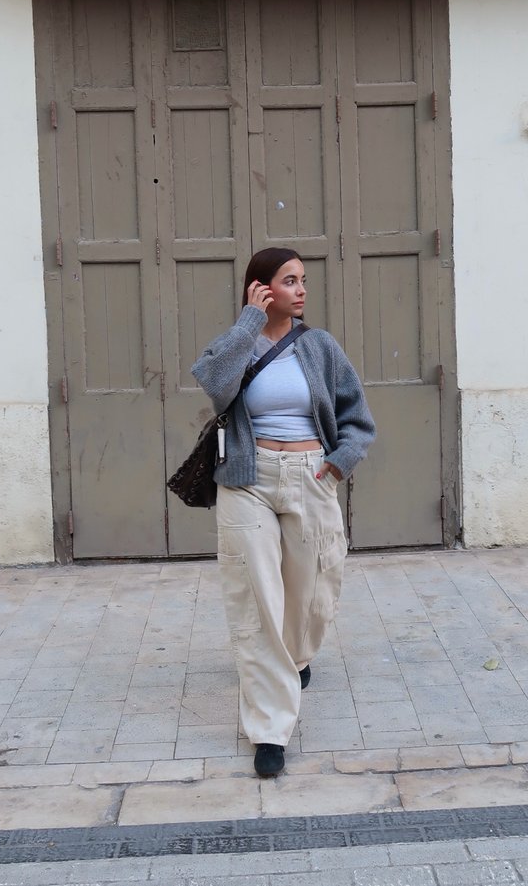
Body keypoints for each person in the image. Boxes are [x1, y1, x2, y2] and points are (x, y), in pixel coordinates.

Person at [191, 247, 376, 778]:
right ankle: (270, 728)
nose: (301, 289)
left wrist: (338, 464)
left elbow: (357, 417)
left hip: (311, 476)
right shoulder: (238, 344)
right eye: (289, 281)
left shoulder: (319, 347)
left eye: (302, 281)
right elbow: (215, 383)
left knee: (314, 590)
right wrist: (249, 321)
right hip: (248, 480)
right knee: (256, 598)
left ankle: (295, 657)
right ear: (262, 288)